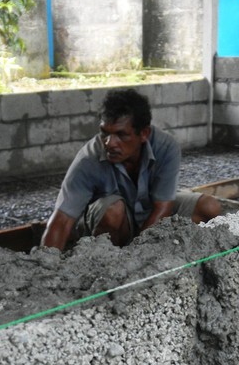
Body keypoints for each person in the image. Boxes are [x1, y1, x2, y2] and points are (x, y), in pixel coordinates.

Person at [41, 89, 221, 250]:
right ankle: (106, 259)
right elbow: (62, 221)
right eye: (105, 132)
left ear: (144, 134)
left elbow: (162, 207)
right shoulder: (88, 160)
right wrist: (45, 263)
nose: (110, 143)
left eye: (121, 134)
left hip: (149, 213)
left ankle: (167, 251)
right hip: (110, 224)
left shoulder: (166, 147)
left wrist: (136, 254)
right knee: (113, 210)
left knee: (209, 207)